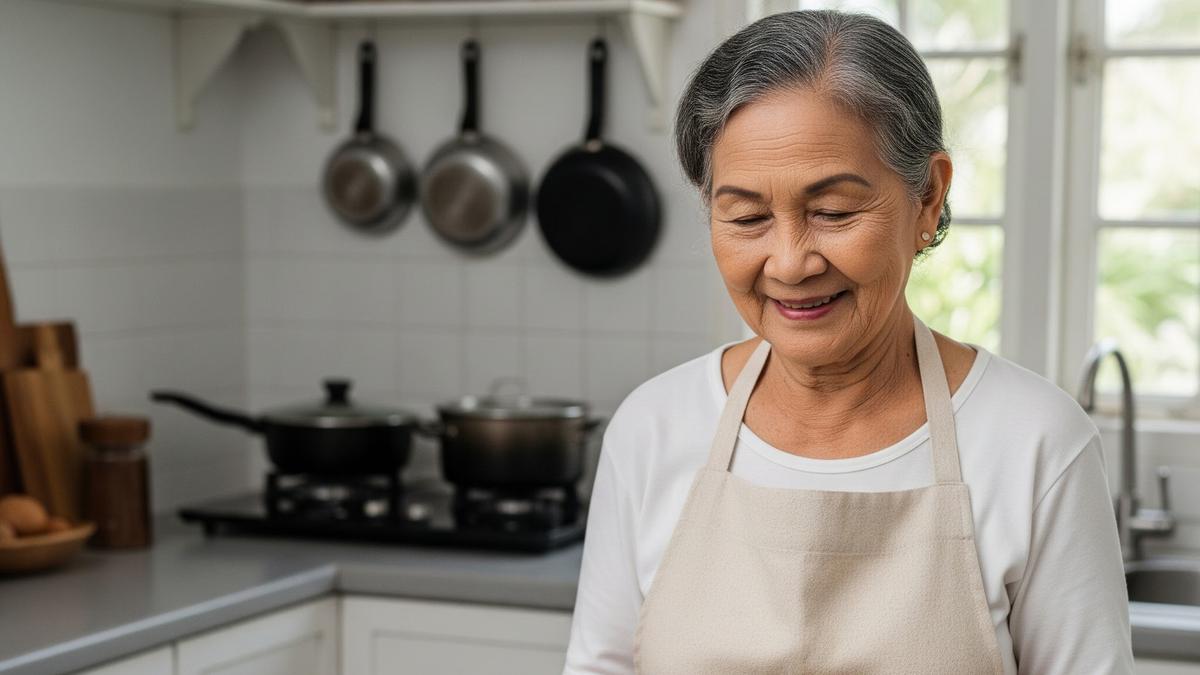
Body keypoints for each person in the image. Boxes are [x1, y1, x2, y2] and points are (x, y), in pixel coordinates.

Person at [563, 9, 1133, 674]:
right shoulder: (653, 428)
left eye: (833, 212)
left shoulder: (1035, 442)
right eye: (746, 216)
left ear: (928, 197)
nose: (789, 262)